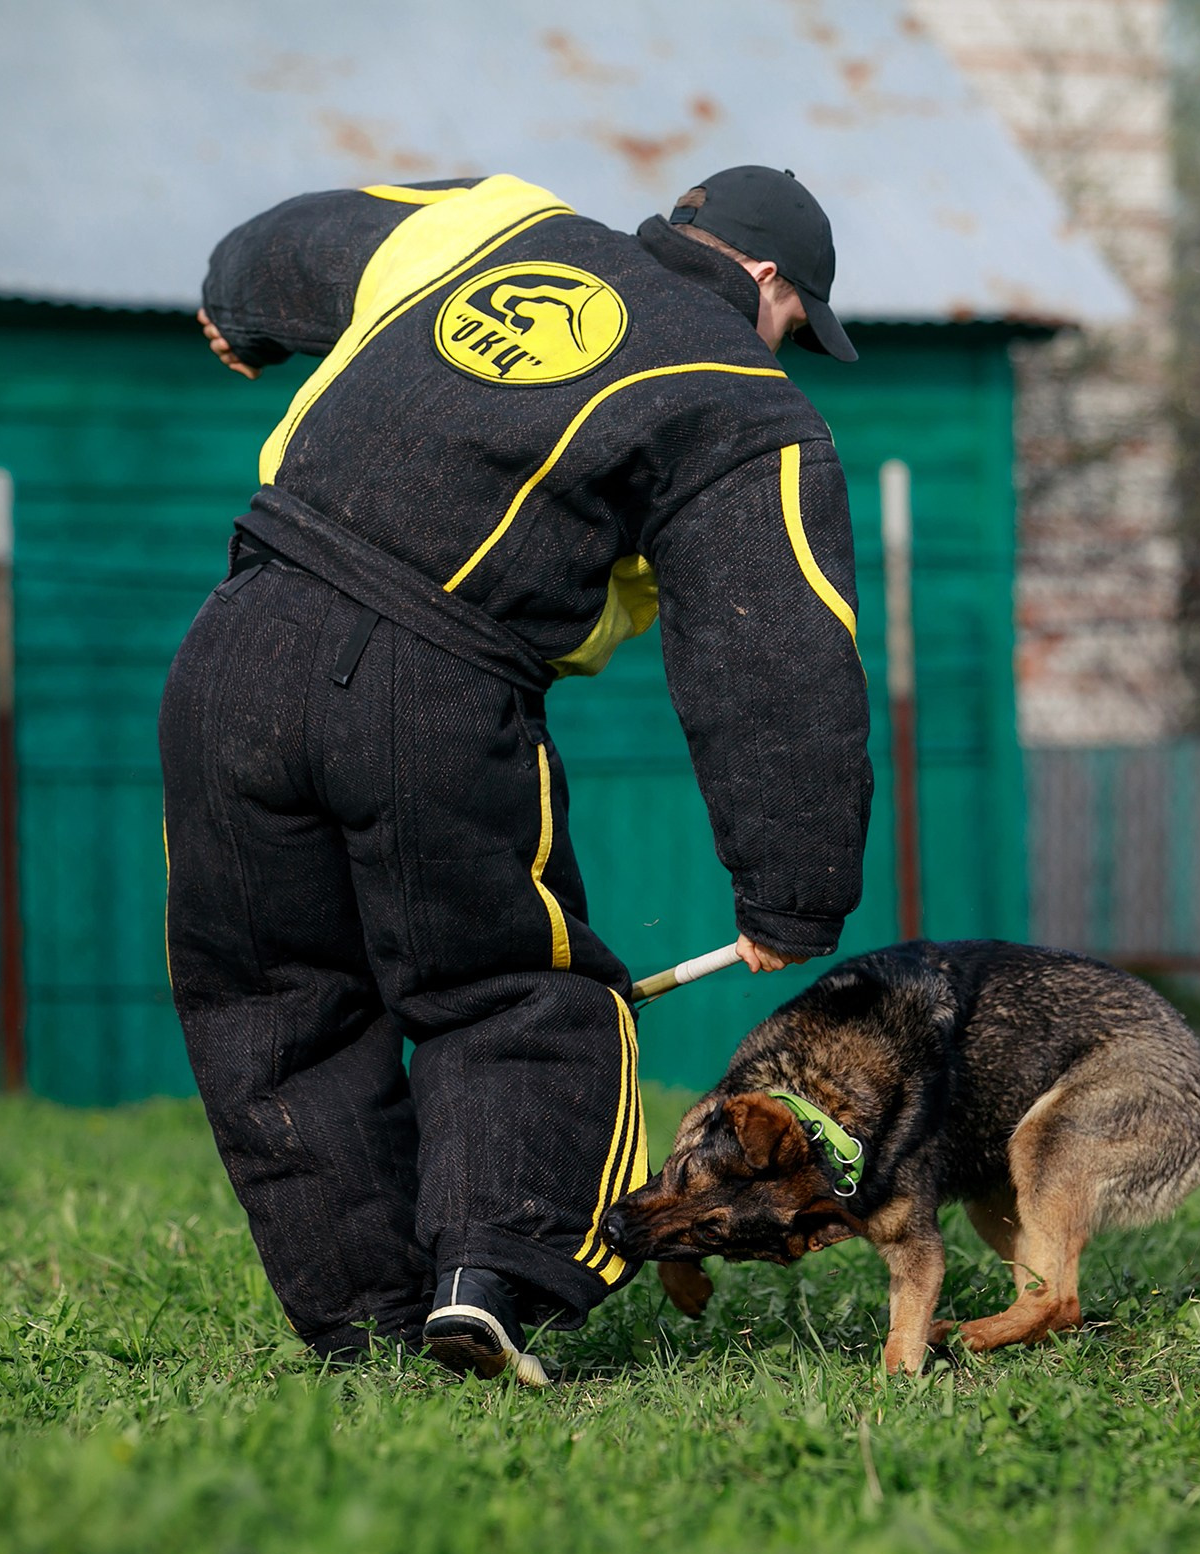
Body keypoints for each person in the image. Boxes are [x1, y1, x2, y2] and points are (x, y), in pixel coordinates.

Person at [163, 166, 873, 1383]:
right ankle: (490, 1279)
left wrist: (239, 311)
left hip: (233, 642)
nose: (787, 348)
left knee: (269, 1004)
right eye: (796, 323)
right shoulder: (740, 396)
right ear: (765, 279)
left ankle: (363, 1331)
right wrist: (793, 888)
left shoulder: (499, 224)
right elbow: (776, 641)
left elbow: (306, 237)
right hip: (432, 676)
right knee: (506, 988)